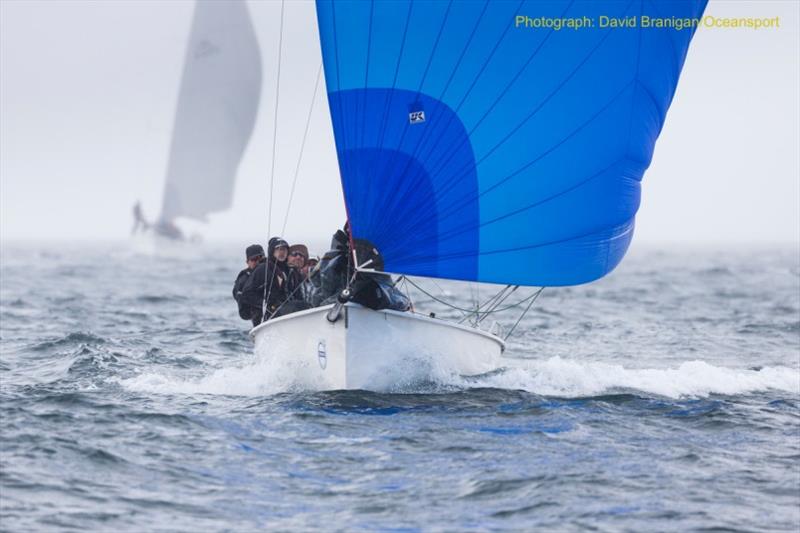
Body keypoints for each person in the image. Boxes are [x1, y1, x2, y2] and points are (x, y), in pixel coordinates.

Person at [318, 223, 410, 312]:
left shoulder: (376, 262)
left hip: (370, 312)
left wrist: (371, 292)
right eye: (351, 230)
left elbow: (394, 295)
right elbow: (318, 295)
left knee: (373, 293)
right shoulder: (332, 259)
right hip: (330, 312)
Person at [232, 244, 264, 324]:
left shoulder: (271, 271)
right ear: (247, 262)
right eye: (253, 259)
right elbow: (239, 295)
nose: (257, 262)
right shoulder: (244, 278)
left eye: (260, 259)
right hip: (258, 315)